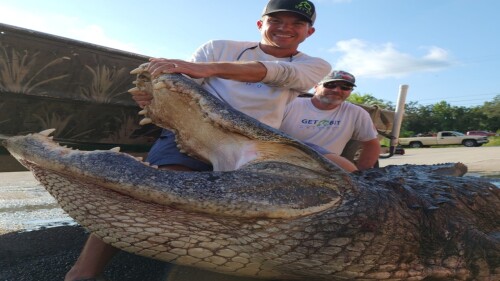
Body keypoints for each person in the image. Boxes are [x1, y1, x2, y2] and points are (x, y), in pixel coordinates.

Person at [65, 0, 330, 280]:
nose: (285, 28)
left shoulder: (314, 65)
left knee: (250, 213)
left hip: (253, 146)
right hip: (193, 128)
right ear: (260, 24)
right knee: (149, 191)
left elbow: (284, 74)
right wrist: (155, 97)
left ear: (309, 32)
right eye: (276, 20)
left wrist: (205, 69)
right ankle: (81, 273)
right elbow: (184, 90)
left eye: (296, 23)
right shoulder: (217, 46)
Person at [279, 70, 381, 172]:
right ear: (316, 86)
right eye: (330, 85)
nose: (337, 90)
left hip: (327, 171)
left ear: (350, 91)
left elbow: (371, 144)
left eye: (345, 87)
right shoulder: (289, 104)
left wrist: (362, 175)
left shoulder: (356, 113)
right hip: (282, 164)